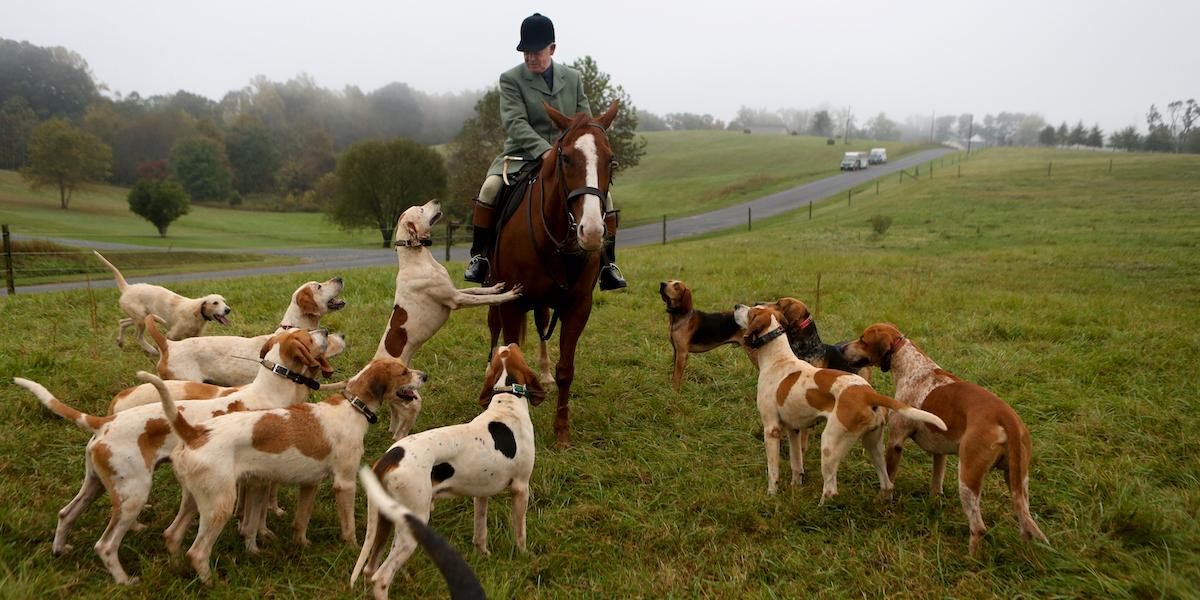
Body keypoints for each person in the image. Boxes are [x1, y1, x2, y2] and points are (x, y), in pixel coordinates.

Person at [464, 12, 627, 290]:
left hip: (568, 158)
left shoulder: (572, 78)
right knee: (489, 189)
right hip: (522, 155)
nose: (530, 58)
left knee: (604, 198)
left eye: (536, 52)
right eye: (525, 52)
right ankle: (480, 257)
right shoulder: (510, 79)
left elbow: (584, 121)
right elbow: (515, 123)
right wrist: (544, 151)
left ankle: (607, 265)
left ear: (551, 49)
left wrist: (581, 146)